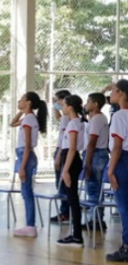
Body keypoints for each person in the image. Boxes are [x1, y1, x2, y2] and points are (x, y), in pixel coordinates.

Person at [11, 91, 48, 238]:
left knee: (27, 193)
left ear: (29, 103)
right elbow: (12, 123)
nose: (19, 101)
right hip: (24, 155)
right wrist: (21, 111)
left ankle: (30, 225)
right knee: (26, 192)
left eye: (22, 100)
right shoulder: (28, 118)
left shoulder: (29, 119)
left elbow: (27, 146)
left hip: (26, 156)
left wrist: (22, 167)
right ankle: (29, 225)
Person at [56, 95, 86, 247]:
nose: (62, 107)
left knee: (73, 200)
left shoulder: (74, 123)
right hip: (70, 159)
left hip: (71, 160)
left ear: (71, 107)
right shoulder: (76, 122)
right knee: (71, 199)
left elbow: (72, 148)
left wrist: (65, 170)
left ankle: (76, 236)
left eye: (64, 105)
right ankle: (75, 234)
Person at [107, 80, 128, 262]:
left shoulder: (120, 116)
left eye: (113, 90)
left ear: (121, 93)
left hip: (124, 161)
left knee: (124, 207)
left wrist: (111, 170)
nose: (110, 93)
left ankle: (127, 247)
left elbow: (117, 147)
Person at [83, 92, 110, 231]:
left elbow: (91, 143)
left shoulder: (96, 120)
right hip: (101, 153)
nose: (86, 104)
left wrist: (87, 163)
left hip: (95, 155)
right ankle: (97, 219)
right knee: (97, 190)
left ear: (95, 104)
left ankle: (95, 221)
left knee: (93, 189)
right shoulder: (101, 118)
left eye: (88, 101)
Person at [50, 89, 71, 224]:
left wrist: (58, 155)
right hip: (61, 149)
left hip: (62, 149)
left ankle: (65, 212)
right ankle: (64, 211)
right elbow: (58, 117)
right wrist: (54, 107)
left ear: (63, 100)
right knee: (61, 183)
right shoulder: (66, 116)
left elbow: (64, 138)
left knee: (61, 183)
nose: (57, 103)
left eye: (58, 100)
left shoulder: (67, 118)